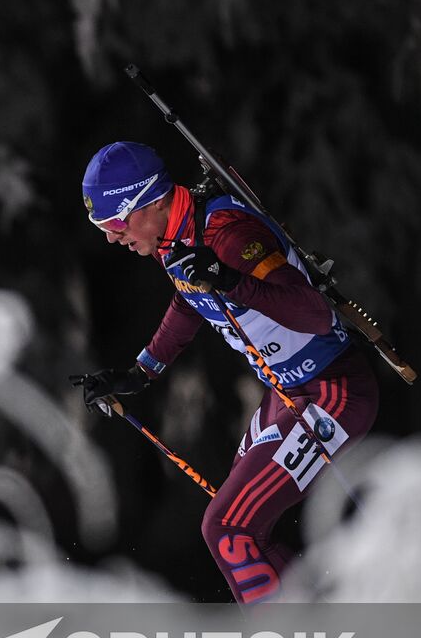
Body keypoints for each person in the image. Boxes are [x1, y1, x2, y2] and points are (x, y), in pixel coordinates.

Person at [77, 141, 378, 604]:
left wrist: (230, 278)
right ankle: (326, 626)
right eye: (101, 228)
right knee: (240, 526)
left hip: (332, 391)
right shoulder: (172, 234)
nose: (111, 238)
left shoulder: (227, 234)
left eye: (115, 223)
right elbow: (188, 298)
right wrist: (140, 373)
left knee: (228, 528)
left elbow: (315, 314)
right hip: (287, 396)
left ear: (152, 202)